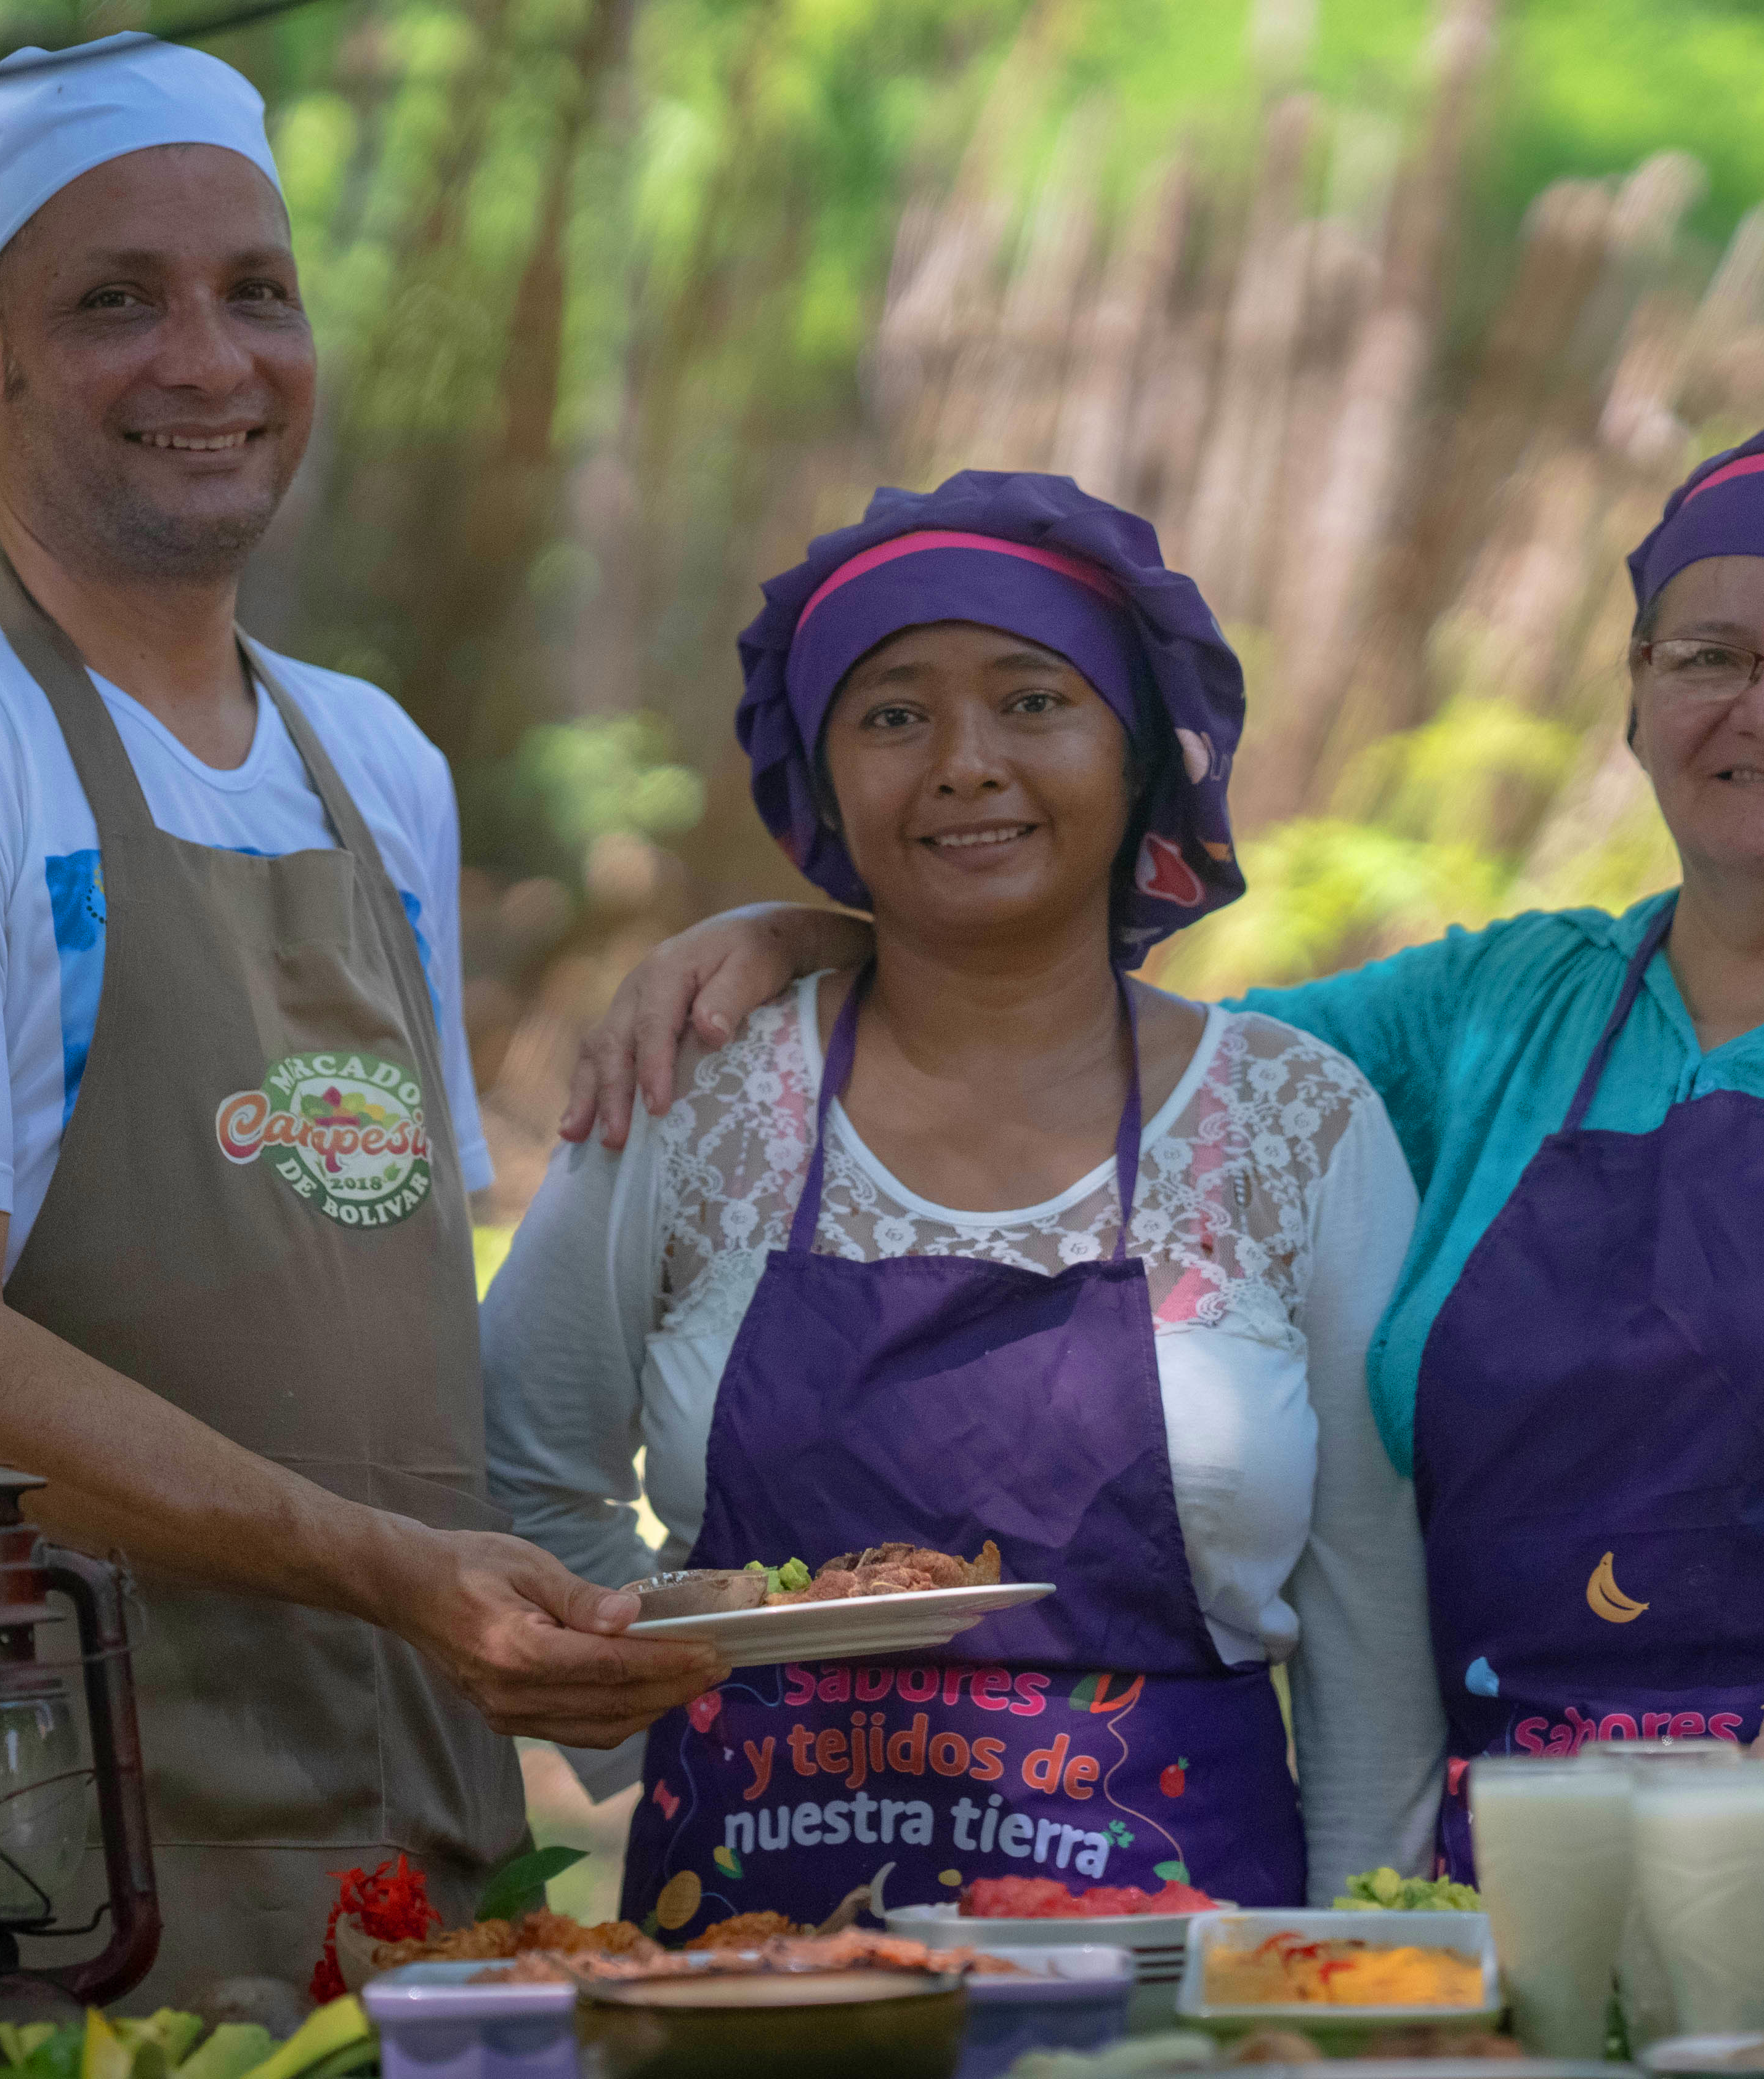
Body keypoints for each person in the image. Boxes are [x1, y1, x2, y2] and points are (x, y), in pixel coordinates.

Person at [557, 403, 1764, 1900]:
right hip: (1553, 1868)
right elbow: (1088, 1035)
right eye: (1711, 658)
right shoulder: (1503, 1012)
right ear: (1633, 704)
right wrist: (821, 938)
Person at [0, 34, 720, 1993]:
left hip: (408, 1816)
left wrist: (783, 941)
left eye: (256, 290)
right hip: (46, 1848)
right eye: (117, 302)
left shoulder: (379, 765)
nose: (211, 360)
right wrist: (389, 1574)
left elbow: (335, 1295)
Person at [483, 472, 1444, 1931]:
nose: (963, 763)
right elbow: (525, 1451)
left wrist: (1355, 1973)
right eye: (892, 714)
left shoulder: (1292, 1124)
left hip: (1170, 1978)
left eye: (1034, 701)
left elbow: (1373, 1621)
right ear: (823, 778)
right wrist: (658, 1705)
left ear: (1137, 763)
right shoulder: (699, 1092)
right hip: (752, 1966)